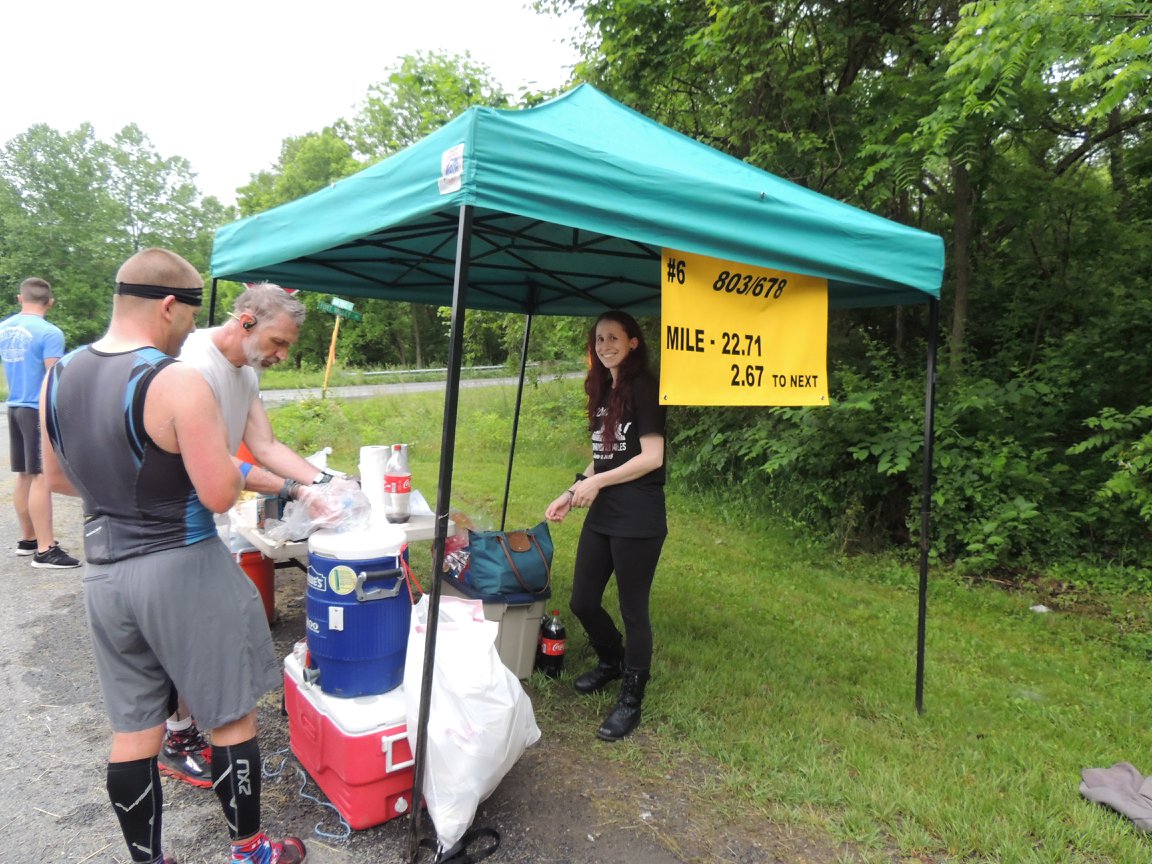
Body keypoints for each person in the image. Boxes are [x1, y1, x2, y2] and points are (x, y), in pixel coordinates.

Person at [40, 248, 305, 864]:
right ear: (168, 306)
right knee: (231, 715)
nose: (191, 330)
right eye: (189, 316)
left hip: (105, 569)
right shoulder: (175, 378)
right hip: (181, 562)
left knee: (135, 730)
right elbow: (217, 491)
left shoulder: (62, 373)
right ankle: (250, 851)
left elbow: (55, 477)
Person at [155, 282, 337, 787]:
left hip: (205, 515)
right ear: (247, 319)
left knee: (214, 623)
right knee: (187, 630)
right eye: (279, 343)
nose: (281, 354)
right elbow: (214, 458)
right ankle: (178, 737)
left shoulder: (246, 373)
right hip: (170, 521)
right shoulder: (193, 365)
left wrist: (326, 482)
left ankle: (190, 725)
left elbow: (265, 444)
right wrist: (296, 493)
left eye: (287, 347)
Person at [545, 310, 667, 741]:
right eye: (599, 340)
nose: (605, 346)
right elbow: (604, 453)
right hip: (603, 511)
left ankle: (631, 697)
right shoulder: (603, 388)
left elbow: (652, 457)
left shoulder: (644, 387)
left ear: (633, 342)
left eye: (614, 338)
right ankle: (611, 661)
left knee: (634, 610)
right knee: (582, 600)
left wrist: (597, 482)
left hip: (638, 514)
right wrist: (573, 489)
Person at [0, 277, 80, 569]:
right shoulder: (50, 333)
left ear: (21, 299)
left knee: (24, 474)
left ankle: (29, 539)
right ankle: (46, 551)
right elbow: (53, 378)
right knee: (42, 476)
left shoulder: (3, 328)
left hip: (15, 405)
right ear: (50, 302)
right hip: (37, 409)